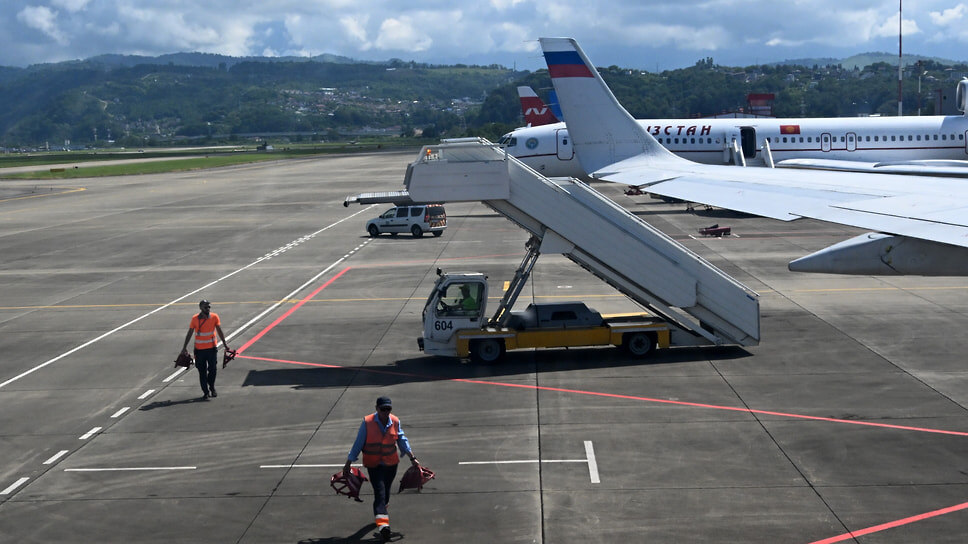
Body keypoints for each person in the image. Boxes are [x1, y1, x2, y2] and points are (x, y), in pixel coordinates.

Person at [343, 396, 419, 542]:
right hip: (374, 465)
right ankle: (384, 526)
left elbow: (402, 440)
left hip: (391, 465)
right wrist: (348, 463)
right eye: (383, 409)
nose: (386, 412)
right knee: (380, 492)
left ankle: (381, 514)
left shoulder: (395, 421)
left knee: (386, 493)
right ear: (377, 409)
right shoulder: (367, 423)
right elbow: (358, 443)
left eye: (388, 409)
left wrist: (412, 458)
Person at [180, 299, 229, 399]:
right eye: (206, 307)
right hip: (199, 351)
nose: (208, 309)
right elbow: (189, 333)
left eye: (209, 307)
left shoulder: (214, 317)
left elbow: (219, 331)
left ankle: (212, 387)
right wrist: (184, 347)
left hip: (211, 349)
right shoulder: (195, 319)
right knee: (202, 372)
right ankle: (205, 392)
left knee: (213, 370)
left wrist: (224, 344)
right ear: (201, 308)